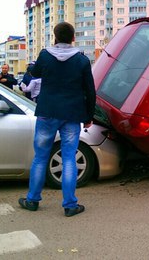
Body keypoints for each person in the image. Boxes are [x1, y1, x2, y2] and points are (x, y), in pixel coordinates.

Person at [19, 22, 96, 217]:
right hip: (72, 114)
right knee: (69, 157)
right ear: (72, 38)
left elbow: (35, 74)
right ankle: (70, 205)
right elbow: (90, 90)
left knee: (41, 157)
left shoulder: (45, 55)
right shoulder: (81, 60)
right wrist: (89, 116)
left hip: (47, 112)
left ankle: (32, 200)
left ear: (55, 36)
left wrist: (32, 67)